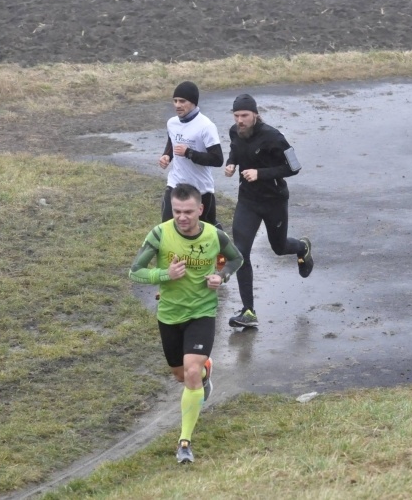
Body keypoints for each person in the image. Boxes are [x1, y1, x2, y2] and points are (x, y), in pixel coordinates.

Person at [129, 183, 243, 464]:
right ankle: (205, 375)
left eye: (188, 212)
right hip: (169, 315)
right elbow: (135, 273)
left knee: (190, 373)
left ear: (200, 209)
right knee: (182, 375)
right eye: (177, 211)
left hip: (202, 312)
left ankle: (184, 443)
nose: (182, 217)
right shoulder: (160, 234)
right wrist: (165, 275)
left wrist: (222, 277)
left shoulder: (215, 235)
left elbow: (235, 259)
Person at [224, 94, 313, 328]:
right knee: (241, 253)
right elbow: (235, 149)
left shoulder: (274, 137)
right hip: (248, 202)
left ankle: (302, 247)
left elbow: (294, 167)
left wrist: (260, 174)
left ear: (255, 114)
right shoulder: (235, 132)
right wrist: (231, 163)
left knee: (279, 247)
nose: (240, 120)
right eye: (236, 116)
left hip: (274, 201)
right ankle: (248, 312)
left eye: (244, 115)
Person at [158, 81, 224, 227]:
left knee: (207, 231)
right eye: (175, 101)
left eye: (182, 101)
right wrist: (167, 156)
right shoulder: (172, 123)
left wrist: (189, 153)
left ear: (193, 102)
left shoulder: (206, 126)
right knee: (168, 227)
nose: (177, 105)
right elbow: (172, 142)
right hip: (175, 183)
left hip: (200, 188)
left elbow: (218, 159)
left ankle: (220, 233)